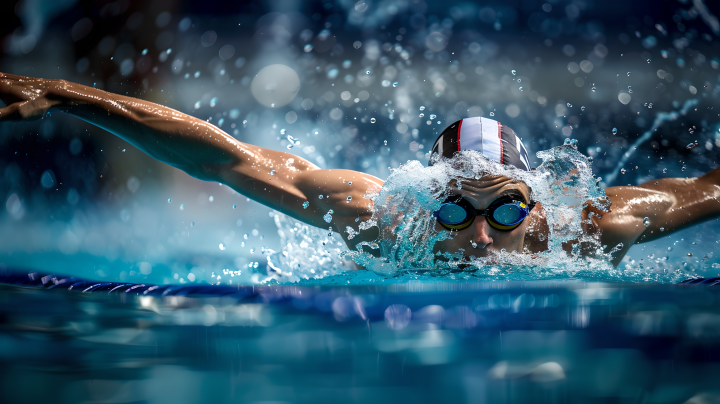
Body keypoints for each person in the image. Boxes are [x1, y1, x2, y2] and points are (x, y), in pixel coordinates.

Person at [2, 72, 719, 269]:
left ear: (536, 205)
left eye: (503, 211)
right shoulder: (383, 220)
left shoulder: (586, 232)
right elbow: (223, 159)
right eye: (452, 212)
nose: (479, 241)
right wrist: (67, 96)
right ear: (423, 203)